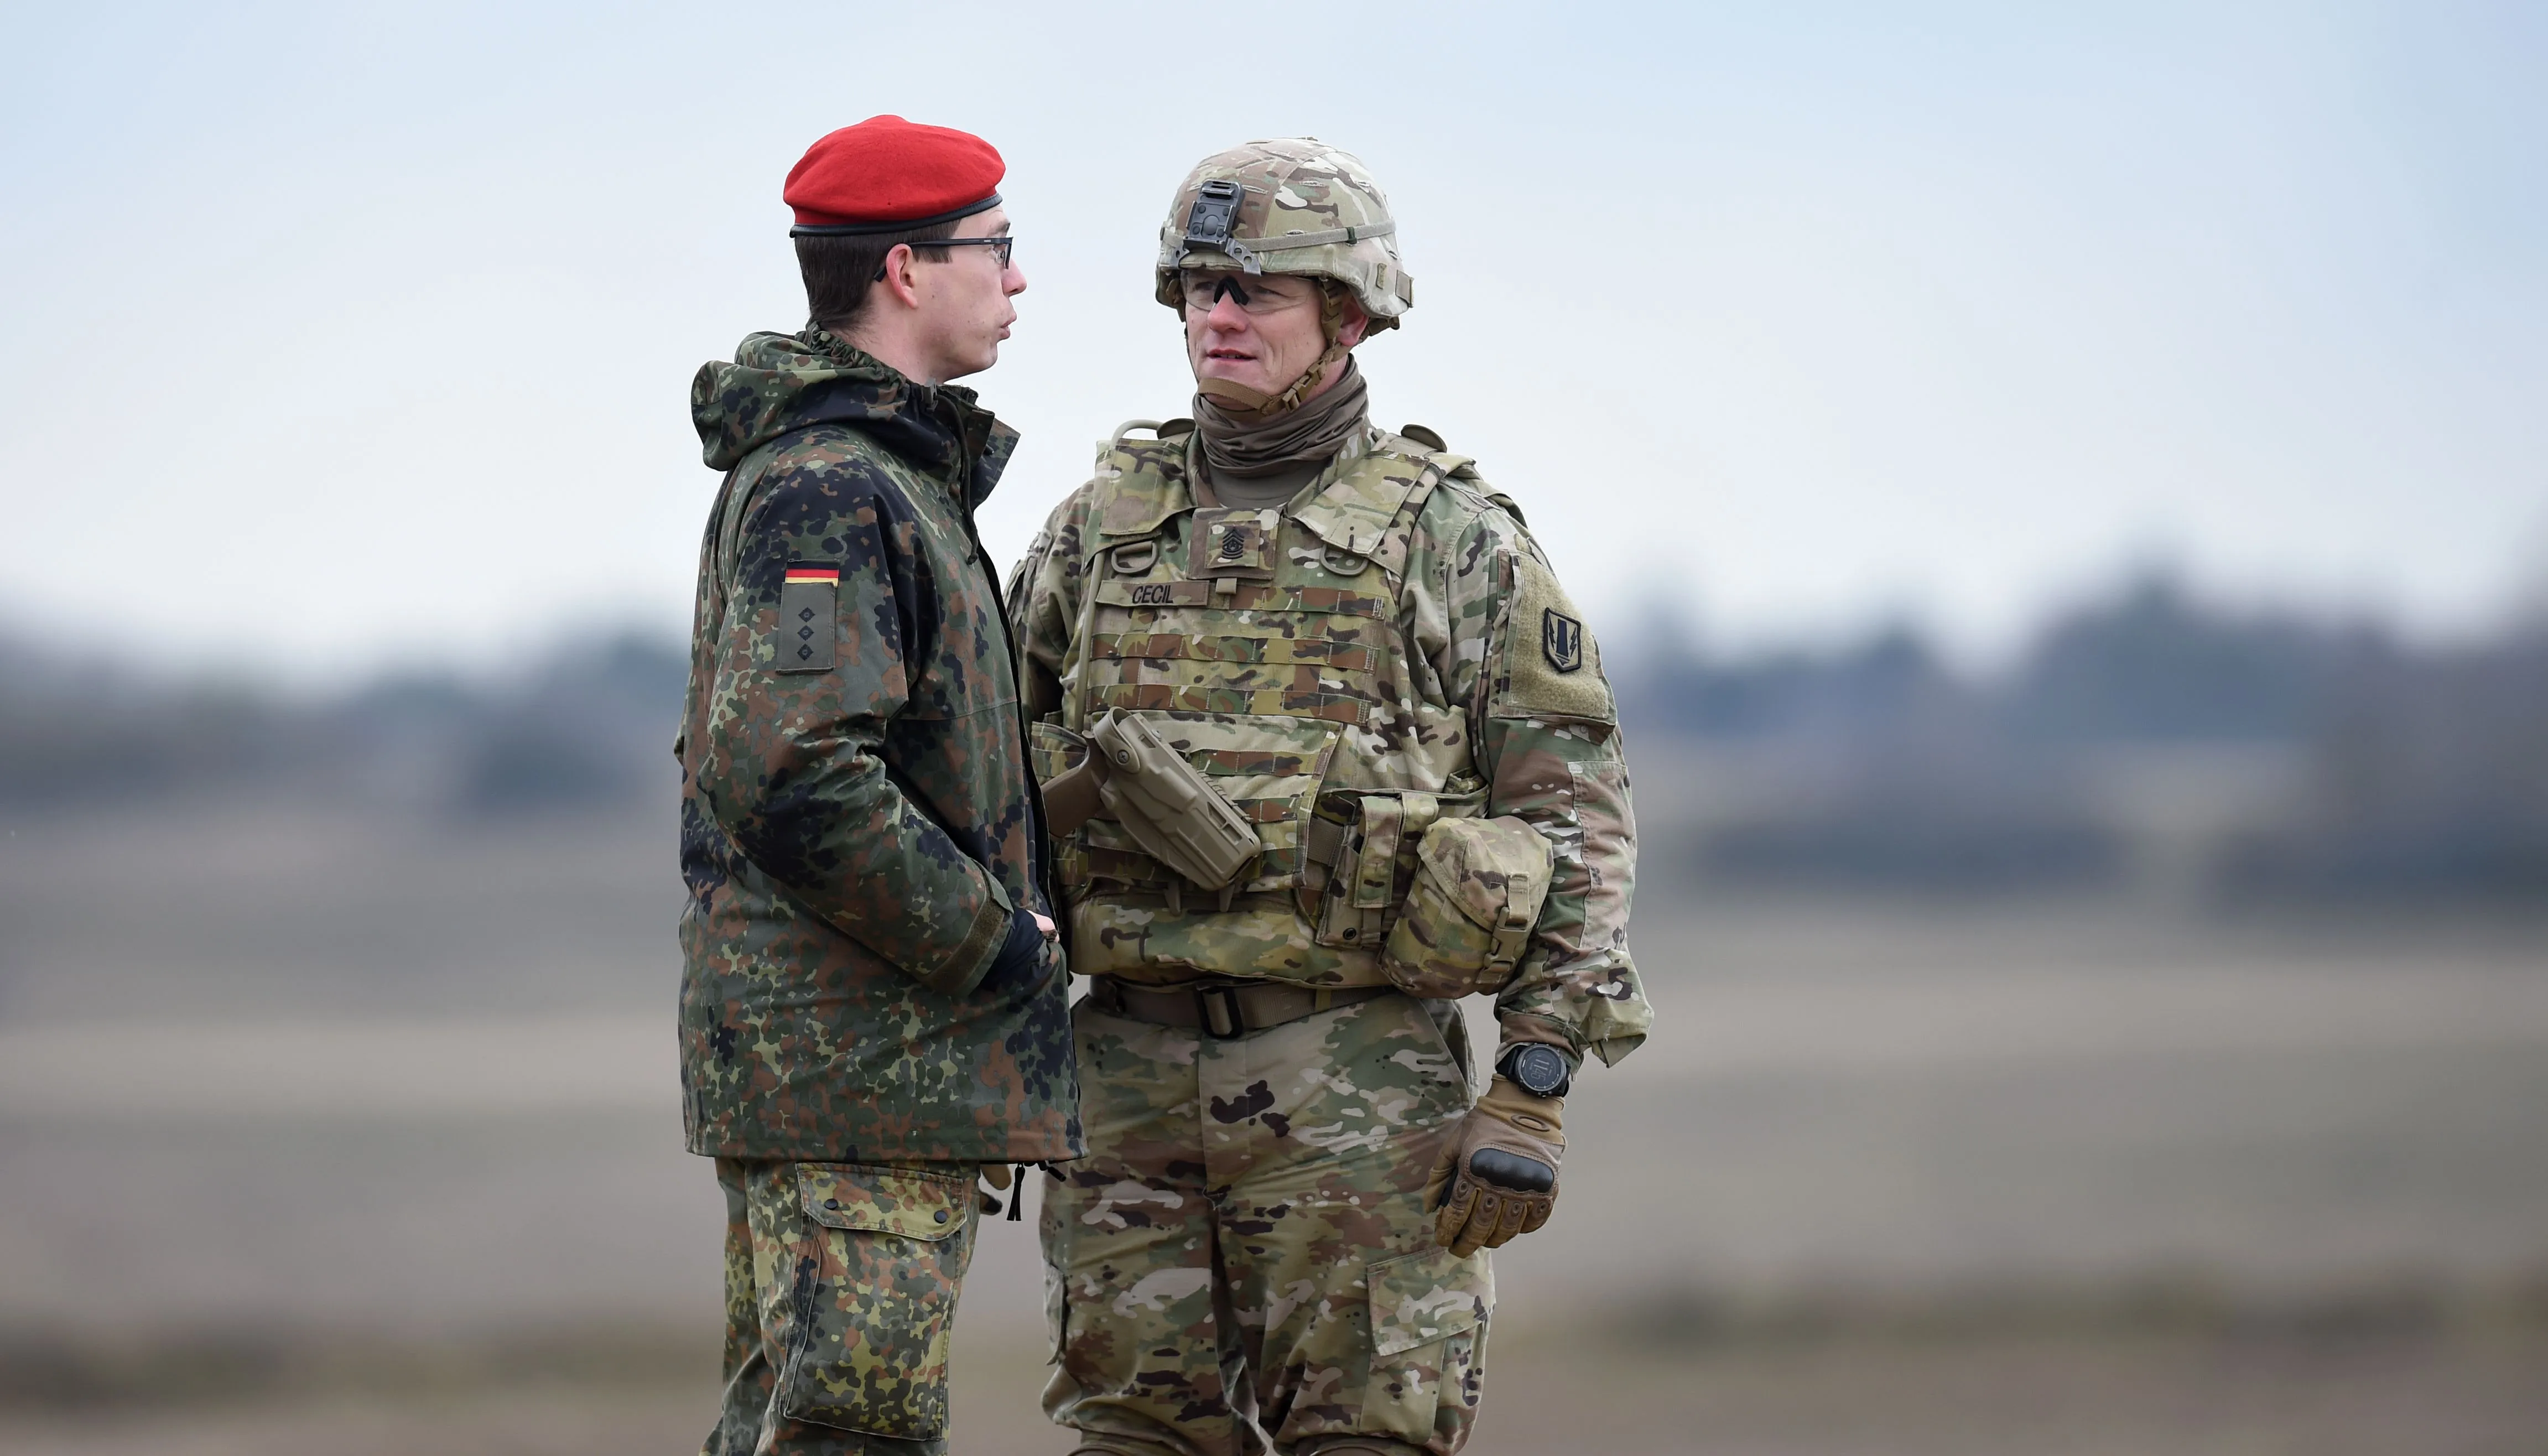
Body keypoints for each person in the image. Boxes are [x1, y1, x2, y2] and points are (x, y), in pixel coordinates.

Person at [1007, 138, 1653, 1456]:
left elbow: (1571, 809)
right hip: (1121, 1075)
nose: (1220, 316)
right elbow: (987, 787)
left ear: (1347, 314)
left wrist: (1530, 1084)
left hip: (1355, 1083)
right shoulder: (1092, 530)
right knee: (1127, 1441)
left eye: (1259, 290)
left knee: (1366, 1438)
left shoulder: (1452, 540)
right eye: (1199, 288)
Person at [675, 115, 1078, 1456]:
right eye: (997, 248)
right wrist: (988, 937)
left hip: (865, 1072)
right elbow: (787, 766)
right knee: (848, 1435)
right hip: (853, 1068)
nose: (1016, 280)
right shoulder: (826, 489)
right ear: (906, 268)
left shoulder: (886, 474)